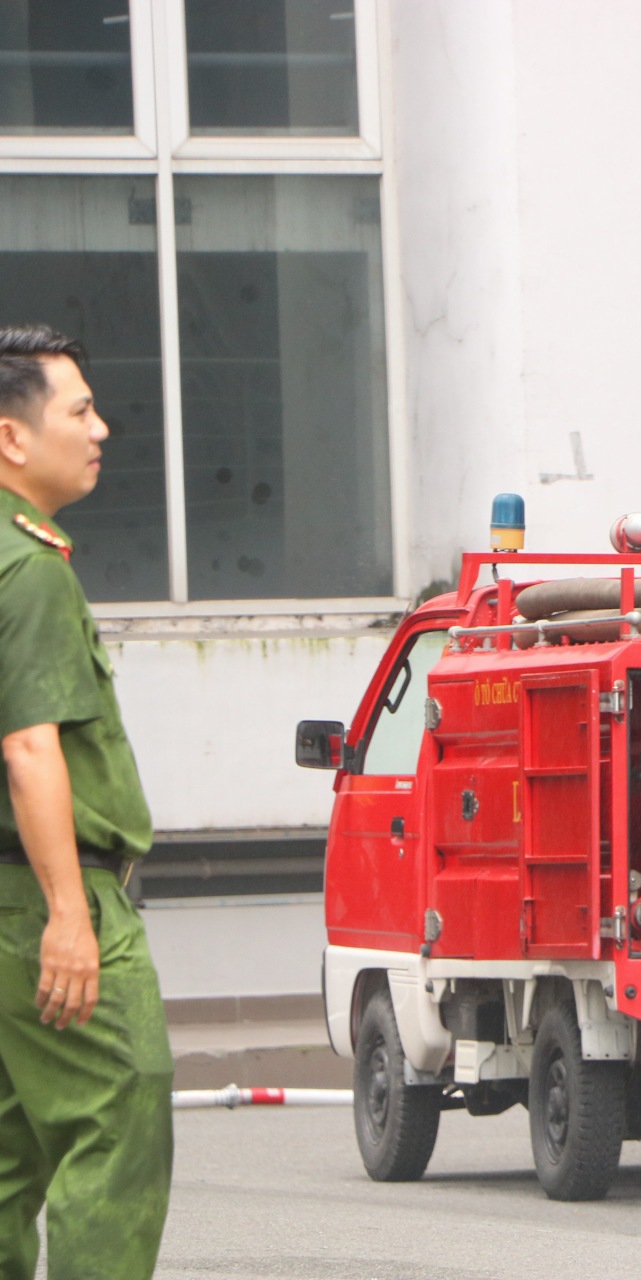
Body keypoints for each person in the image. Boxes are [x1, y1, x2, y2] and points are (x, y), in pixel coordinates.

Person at [0, 325, 172, 1277]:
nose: (100, 429)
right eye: (78, 411)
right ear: (12, 439)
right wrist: (69, 912)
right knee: (120, 1108)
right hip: (44, 894)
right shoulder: (26, 571)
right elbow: (30, 747)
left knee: (9, 1147)